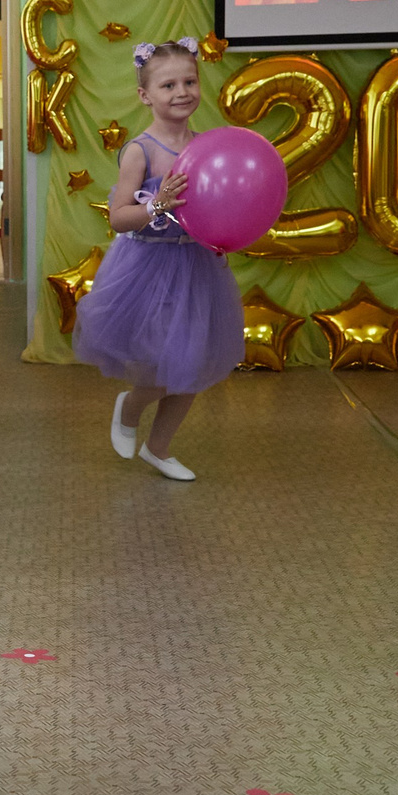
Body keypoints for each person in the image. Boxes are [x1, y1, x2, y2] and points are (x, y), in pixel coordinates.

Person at [73, 39, 244, 481]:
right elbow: (118, 218)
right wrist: (157, 205)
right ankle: (129, 407)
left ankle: (159, 448)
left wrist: (223, 234)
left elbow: (217, 205)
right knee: (160, 364)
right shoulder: (140, 151)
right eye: (168, 85)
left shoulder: (208, 146)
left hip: (198, 267)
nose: (182, 91)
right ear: (145, 95)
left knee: (194, 365)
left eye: (189, 81)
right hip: (148, 269)